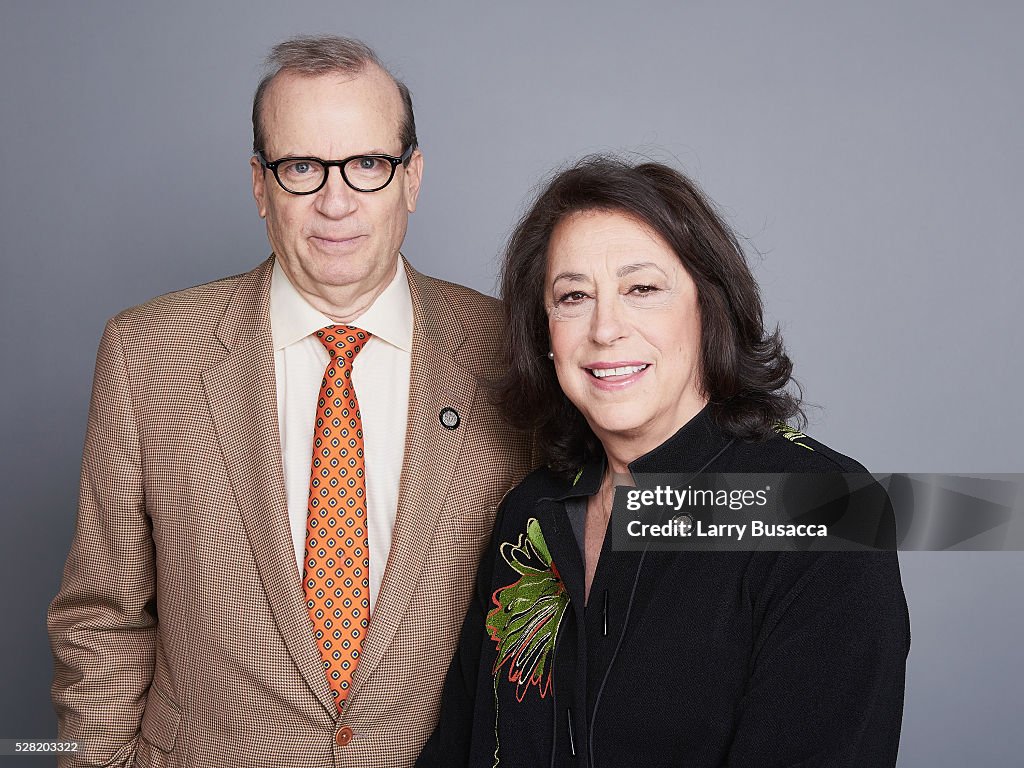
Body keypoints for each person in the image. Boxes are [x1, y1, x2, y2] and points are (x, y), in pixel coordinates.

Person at [47, 35, 532, 767]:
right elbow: (99, 618)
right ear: (259, 184)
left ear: (413, 178)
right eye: (302, 166)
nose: (335, 202)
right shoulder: (146, 354)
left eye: (368, 164)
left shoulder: (511, 351)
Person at [417, 156, 910, 767]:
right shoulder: (531, 513)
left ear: (709, 308)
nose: (605, 329)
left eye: (642, 289)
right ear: (545, 335)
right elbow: (458, 748)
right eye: (573, 297)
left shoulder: (827, 508)